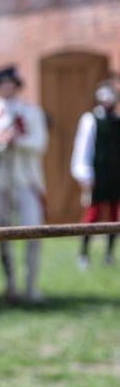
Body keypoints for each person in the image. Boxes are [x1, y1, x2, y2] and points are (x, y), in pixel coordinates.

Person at [0, 65, 48, 302]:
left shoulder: (31, 111)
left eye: (11, 83)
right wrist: (1, 143)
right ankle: (10, 285)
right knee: (3, 236)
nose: (7, 87)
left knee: (33, 231)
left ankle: (31, 286)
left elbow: (39, 143)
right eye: (3, 83)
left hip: (26, 180)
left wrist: (18, 141)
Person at [70, 80, 120, 268]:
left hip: (115, 175)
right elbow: (83, 148)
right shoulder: (91, 120)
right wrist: (84, 174)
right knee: (93, 214)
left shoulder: (117, 121)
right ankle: (83, 254)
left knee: (114, 216)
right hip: (97, 175)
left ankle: (109, 254)